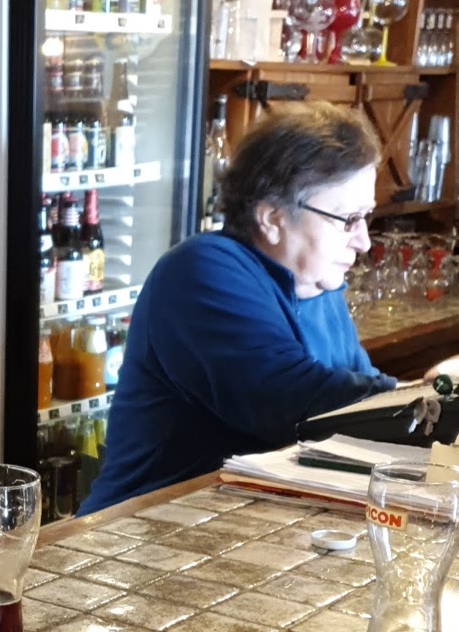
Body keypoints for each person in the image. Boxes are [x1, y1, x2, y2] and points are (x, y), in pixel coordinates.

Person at [79, 104, 397, 513]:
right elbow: (289, 405)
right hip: (136, 527)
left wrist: (423, 402)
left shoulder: (318, 286)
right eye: (348, 219)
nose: (364, 241)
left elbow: (363, 412)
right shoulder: (201, 269)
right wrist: (429, 400)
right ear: (272, 219)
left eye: (366, 216)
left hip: (239, 521)